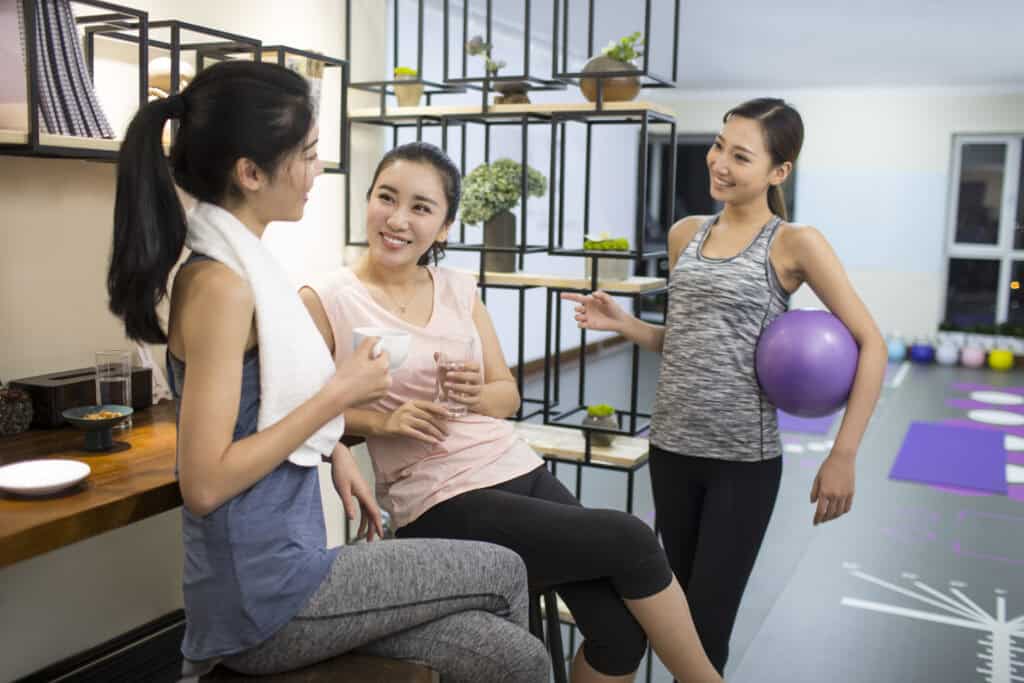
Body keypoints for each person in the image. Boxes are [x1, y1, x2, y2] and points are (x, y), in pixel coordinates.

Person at [106, 61, 549, 683]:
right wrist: (337, 399)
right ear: (251, 173)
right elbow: (204, 484)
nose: (318, 170)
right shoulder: (221, 286)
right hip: (268, 599)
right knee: (504, 571)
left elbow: (259, 405)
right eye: (309, 154)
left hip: (290, 568)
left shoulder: (243, 267)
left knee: (519, 657)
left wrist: (332, 449)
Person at [301, 141, 724, 683]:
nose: (398, 219)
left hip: (514, 467)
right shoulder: (328, 297)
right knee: (632, 537)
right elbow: (302, 410)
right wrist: (380, 422)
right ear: (367, 200)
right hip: (438, 496)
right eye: (387, 197)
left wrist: (476, 390)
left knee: (619, 634)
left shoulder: (456, 289)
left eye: (421, 207)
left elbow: (507, 397)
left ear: (446, 225)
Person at [564, 98, 887, 675]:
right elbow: (689, 340)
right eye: (719, 146)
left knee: (706, 629)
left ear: (778, 172)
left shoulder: (794, 243)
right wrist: (624, 323)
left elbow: (871, 343)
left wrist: (844, 453)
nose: (719, 162)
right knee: (672, 618)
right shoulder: (685, 234)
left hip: (742, 461)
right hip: (670, 450)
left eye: (741, 156)